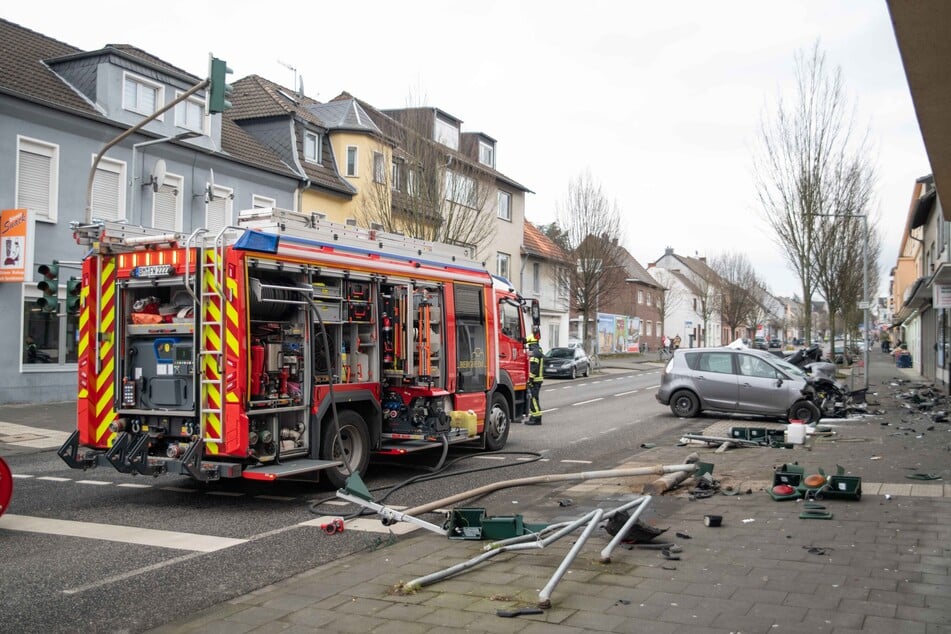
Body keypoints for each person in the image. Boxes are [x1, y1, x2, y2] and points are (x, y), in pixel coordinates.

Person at [525, 334, 544, 425]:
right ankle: (535, 416)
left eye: (529, 345)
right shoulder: (538, 350)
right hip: (538, 379)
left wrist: (530, 379)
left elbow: (534, 367)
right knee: (534, 398)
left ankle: (536, 418)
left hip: (535, 380)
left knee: (533, 399)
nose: (529, 348)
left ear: (531, 344)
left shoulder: (535, 352)